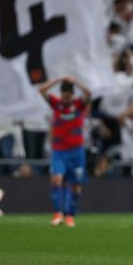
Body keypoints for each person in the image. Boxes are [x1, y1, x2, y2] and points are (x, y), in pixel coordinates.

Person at [38, 76, 91, 228]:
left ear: (72, 94)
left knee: (76, 184)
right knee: (56, 179)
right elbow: (41, 90)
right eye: (63, 94)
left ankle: (70, 215)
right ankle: (57, 214)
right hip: (59, 151)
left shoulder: (79, 105)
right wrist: (59, 79)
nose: (65, 97)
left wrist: (77, 82)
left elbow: (89, 93)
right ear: (61, 94)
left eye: (68, 94)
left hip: (77, 153)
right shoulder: (56, 104)